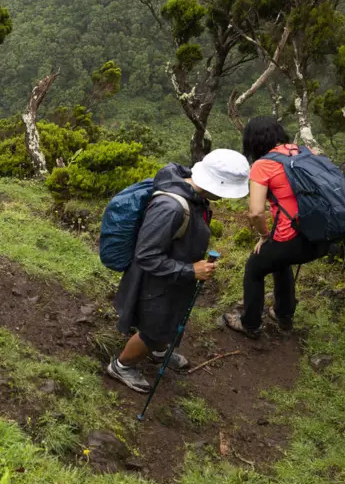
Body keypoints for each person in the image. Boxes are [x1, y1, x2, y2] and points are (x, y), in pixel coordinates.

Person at [106, 149, 250, 394]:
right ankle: (122, 365)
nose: (226, 198)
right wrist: (189, 269)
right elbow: (146, 255)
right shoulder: (170, 207)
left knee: (170, 319)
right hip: (158, 280)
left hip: (174, 277)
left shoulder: (195, 195)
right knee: (154, 329)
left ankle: (158, 351)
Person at [222, 116, 327, 338]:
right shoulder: (305, 152)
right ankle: (283, 316)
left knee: (254, 268)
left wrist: (263, 236)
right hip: (323, 236)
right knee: (280, 262)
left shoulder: (263, 165)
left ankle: (250, 325)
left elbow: (256, 212)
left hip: (294, 240)